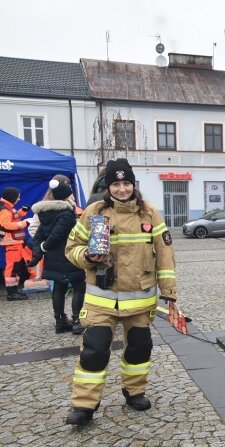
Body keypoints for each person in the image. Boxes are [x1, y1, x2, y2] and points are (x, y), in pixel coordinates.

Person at [63, 158, 181, 426]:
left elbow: (165, 254)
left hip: (140, 299)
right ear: (108, 186)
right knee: (94, 351)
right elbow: (72, 247)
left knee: (139, 350)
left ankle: (134, 392)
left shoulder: (149, 213)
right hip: (100, 300)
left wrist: (170, 293)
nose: (121, 188)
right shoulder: (94, 211)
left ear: (133, 185)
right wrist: (88, 257)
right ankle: (84, 406)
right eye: (116, 183)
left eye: (126, 183)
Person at [27, 176, 87, 334]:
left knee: (59, 287)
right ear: (67, 196)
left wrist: (37, 254)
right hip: (68, 256)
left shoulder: (45, 213)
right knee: (79, 286)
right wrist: (44, 248)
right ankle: (76, 320)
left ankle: (60, 321)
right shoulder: (66, 213)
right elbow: (57, 234)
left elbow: (39, 234)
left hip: (53, 258)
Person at [1, 186, 35, 301]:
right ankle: (11, 293)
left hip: (14, 242)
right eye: (18, 197)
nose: (19, 199)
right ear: (12, 197)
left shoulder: (8, 208)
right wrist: (25, 223)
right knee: (12, 267)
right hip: (11, 243)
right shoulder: (4, 209)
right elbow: (7, 225)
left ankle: (14, 291)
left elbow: (14, 217)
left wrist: (23, 211)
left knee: (15, 267)